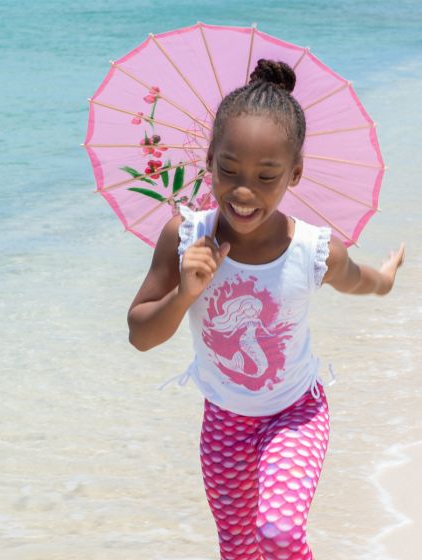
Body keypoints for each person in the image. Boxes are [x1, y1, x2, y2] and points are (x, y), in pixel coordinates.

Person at [127, 58, 405, 560]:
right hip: (224, 420)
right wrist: (186, 291)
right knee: (238, 550)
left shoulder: (314, 251)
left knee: (278, 534)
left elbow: (358, 280)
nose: (243, 191)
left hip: (297, 413)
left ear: (294, 173)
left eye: (266, 176)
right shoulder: (185, 237)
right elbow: (141, 335)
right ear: (208, 159)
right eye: (228, 169)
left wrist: (384, 279)